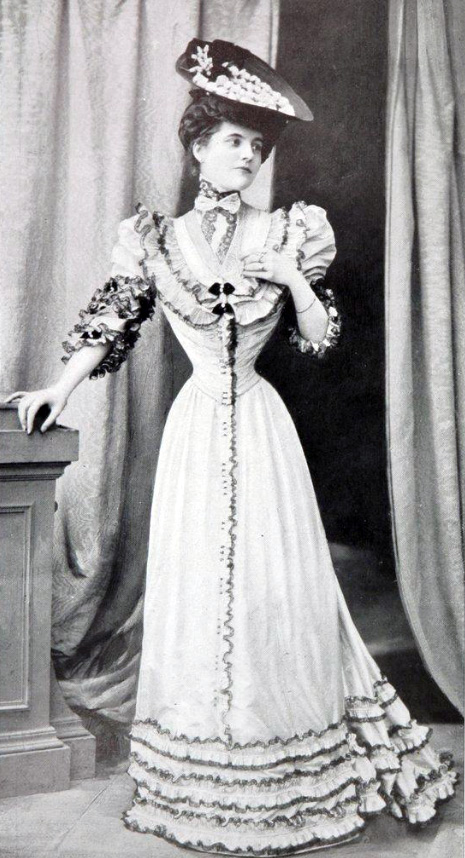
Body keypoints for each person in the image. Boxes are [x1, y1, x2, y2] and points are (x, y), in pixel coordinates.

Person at [6, 38, 456, 856]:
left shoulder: (290, 231)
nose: (247, 156)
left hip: (259, 425)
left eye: (257, 145)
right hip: (194, 436)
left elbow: (318, 338)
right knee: (198, 587)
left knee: (273, 589)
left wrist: (289, 277)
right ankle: (206, 762)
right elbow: (110, 319)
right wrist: (57, 391)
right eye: (233, 141)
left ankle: (284, 763)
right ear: (198, 147)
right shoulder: (155, 238)